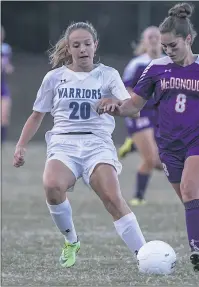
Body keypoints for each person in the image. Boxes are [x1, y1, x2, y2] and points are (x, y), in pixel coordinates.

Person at [97, 3, 199, 271]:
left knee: (190, 189)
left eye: (173, 45)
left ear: (188, 39)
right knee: (195, 204)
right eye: (164, 46)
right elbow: (134, 105)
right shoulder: (155, 69)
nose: (168, 51)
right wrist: (114, 106)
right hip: (170, 146)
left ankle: (197, 250)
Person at [13, 21, 146, 268]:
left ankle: (144, 256)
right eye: (76, 45)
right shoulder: (54, 78)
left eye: (87, 44)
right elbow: (36, 115)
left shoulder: (108, 75)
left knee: (113, 198)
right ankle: (71, 240)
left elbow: (133, 110)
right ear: (69, 48)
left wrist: (113, 104)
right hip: (64, 143)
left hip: (97, 144)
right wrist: (21, 145)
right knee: (52, 186)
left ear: (95, 45)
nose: (82, 49)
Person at [119, 26, 164, 206]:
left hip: (159, 115)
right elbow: (125, 89)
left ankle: (133, 146)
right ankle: (138, 197)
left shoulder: (169, 62)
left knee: (163, 164)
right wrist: (133, 107)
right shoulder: (137, 64)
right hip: (141, 113)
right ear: (144, 42)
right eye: (149, 37)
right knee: (151, 159)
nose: (153, 40)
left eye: (156, 36)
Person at [1, 26, 14, 143]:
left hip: (2, 86)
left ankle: (2, 143)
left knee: (4, 116)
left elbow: (8, 67)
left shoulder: (5, 49)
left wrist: (8, 68)